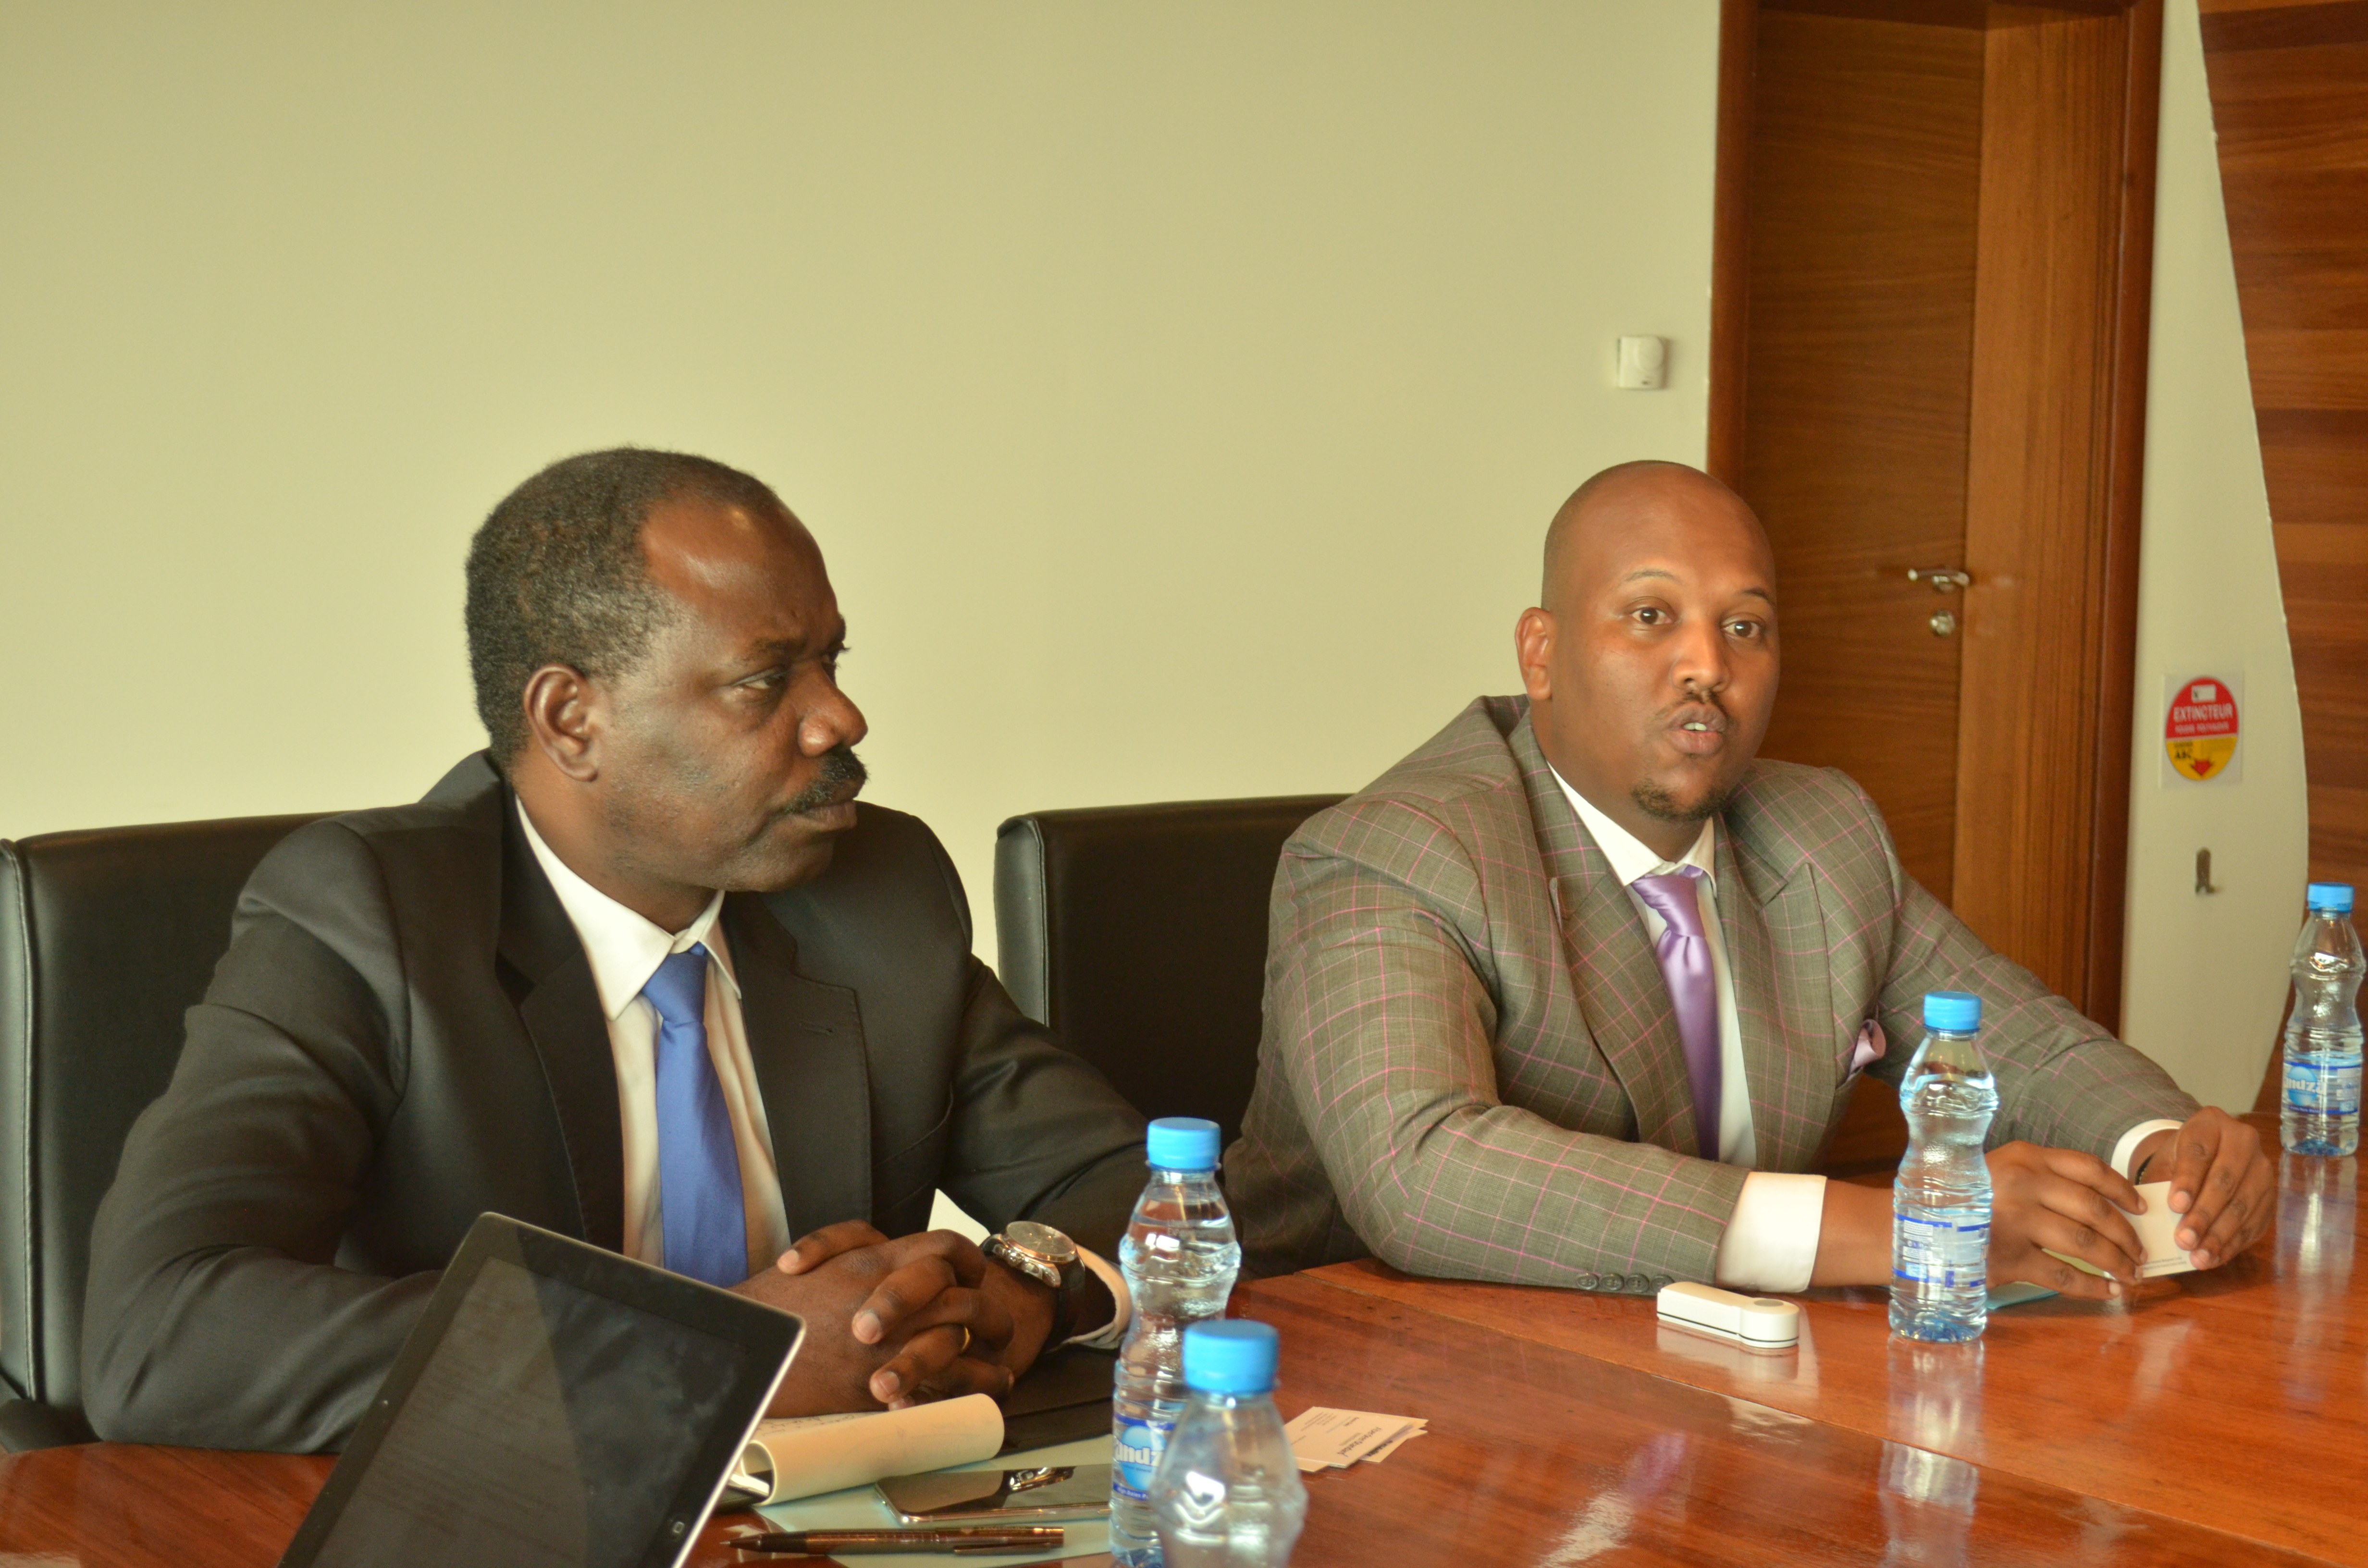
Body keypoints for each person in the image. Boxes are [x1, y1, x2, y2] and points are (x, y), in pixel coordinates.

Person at [82, 449, 1148, 1451]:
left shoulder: (877, 893)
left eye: (831, 661)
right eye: (765, 679)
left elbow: (1140, 1184)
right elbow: (161, 1328)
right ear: (570, 720)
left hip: (843, 1516)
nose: (840, 718)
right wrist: (717, 1358)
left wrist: (1027, 1291)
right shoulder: (370, 915)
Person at [1226, 460, 2273, 1297]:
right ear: (1539, 654)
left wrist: (2162, 1151)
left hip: (1709, 1374)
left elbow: (2021, 1045)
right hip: (1370, 1367)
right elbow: (1423, 1171)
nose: (1707, 667)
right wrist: (1904, 1225)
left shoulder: (1822, 831)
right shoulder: (1394, 852)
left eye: (1745, 627)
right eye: (1650, 616)